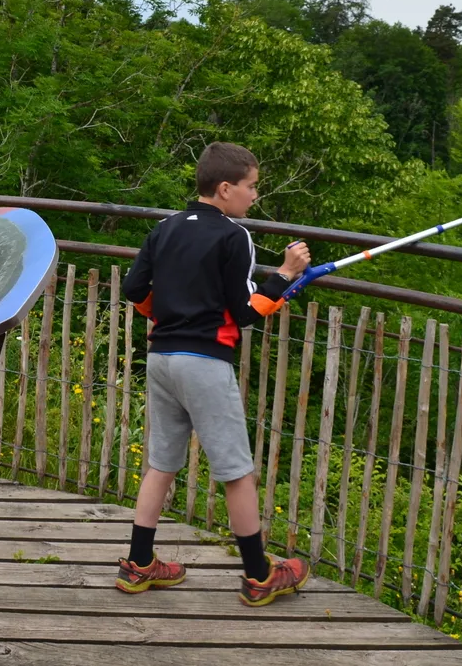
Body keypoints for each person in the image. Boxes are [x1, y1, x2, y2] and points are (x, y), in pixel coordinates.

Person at [116, 141, 313, 607]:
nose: (254, 196)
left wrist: (164, 315)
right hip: (204, 362)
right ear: (225, 189)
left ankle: (138, 565)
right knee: (236, 471)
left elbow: (132, 288)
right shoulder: (233, 236)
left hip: (162, 357)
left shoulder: (164, 228)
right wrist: (285, 275)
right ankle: (259, 575)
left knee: (161, 463)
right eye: (251, 187)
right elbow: (245, 312)